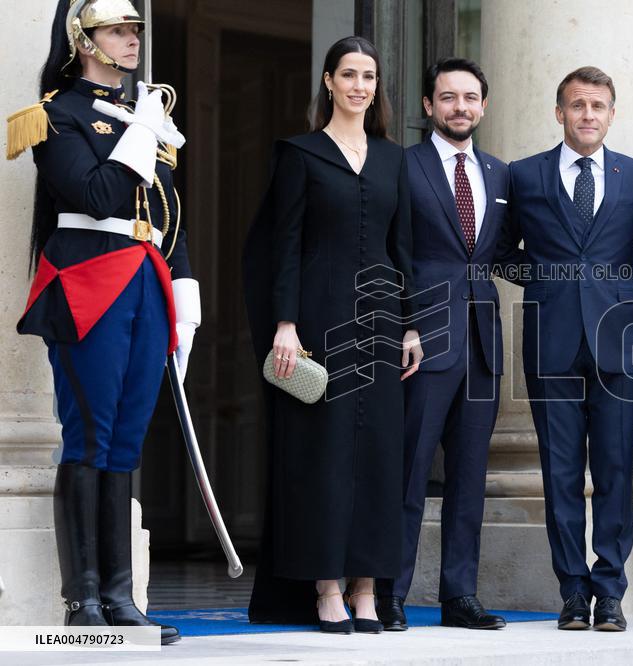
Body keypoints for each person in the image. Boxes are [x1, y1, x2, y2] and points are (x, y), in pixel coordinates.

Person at [6, 0, 199, 645]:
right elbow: (96, 196)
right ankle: (81, 601)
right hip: (89, 282)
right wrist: (141, 132)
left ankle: (120, 598)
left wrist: (186, 292)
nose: (132, 40)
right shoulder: (57, 115)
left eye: (135, 30)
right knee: (89, 436)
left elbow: (168, 214)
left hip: (146, 279)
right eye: (118, 30)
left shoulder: (144, 116)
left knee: (126, 444)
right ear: (83, 41)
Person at [243, 35, 421, 635]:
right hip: (317, 321)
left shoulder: (395, 159)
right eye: (348, 74)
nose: (359, 86)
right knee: (322, 454)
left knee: (379, 457)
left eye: (368, 76)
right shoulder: (300, 154)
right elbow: (284, 245)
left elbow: (404, 248)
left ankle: (366, 587)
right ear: (328, 81)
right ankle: (325, 588)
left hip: (381, 323)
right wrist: (285, 324)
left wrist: (413, 324)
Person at [494, 66, 633, 632]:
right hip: (551, 339)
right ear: (559, 112)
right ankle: (572, 592)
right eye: (578, 105)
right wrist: (547, 280)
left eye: (598, 106)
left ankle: (609, 591)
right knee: (559, 472)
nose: (588, 115)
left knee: (615, 469)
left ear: (612, 115)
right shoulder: (524, 175)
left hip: (618, 340)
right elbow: (498, 250)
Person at [375, 58, 508, 631]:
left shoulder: (500, 175)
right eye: (448, 97)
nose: (460, 107)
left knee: (469, 480)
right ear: (429, 105)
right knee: (408, 474)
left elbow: (507, 252)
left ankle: (459, 596)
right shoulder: (402, 166)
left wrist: (579, 271)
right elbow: (390, 251)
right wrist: (404, 323)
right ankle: (390, 592)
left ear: (483, 106)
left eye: (470, 97)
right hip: (422, 341)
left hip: (482, 345)